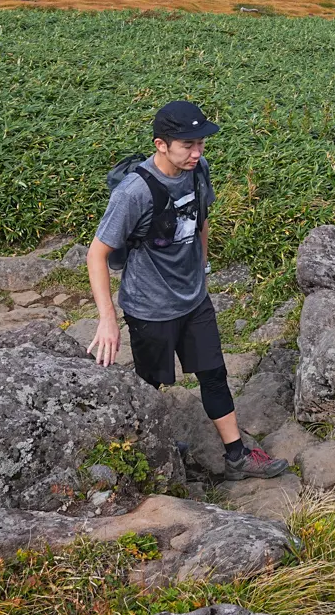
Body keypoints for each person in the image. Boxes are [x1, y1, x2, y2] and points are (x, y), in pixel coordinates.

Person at [86, 99, 289, 479]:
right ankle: (147, 452)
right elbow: (97, 254)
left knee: (214, 373)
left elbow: (201, 222)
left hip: (194, 298)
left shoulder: (198, 171)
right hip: (149, 308)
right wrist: (107, 320)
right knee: (151, 384)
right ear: (161, 144)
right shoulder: (133, 193)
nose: (197, 153)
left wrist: (203, 269)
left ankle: (236, 457)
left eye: (201, 144)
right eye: (188, 146)